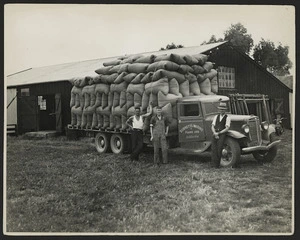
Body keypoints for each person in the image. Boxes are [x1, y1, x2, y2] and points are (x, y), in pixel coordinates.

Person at [211, 101, 231, 168]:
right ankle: (213, 164)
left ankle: (217, 165)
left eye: (223, 109)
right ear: (219, 110)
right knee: (214, 149)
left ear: (225, 110)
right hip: (215, 133)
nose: (221, 111)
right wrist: (214, 133)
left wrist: (219, 133)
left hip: (222, 134)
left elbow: (227, 128)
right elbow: (212, 126)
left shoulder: (227, 117)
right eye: (220, 109)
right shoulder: (216, 117)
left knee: (219, 149)